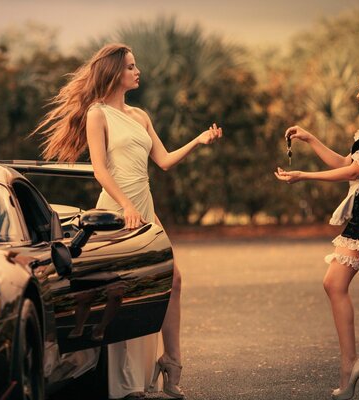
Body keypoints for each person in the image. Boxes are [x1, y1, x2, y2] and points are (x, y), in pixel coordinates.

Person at [34, 43, 222, 400]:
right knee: (124, 291)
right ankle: (123, 380)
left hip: (145, 209)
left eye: (137, 66)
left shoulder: (140, 116)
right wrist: (125, 206)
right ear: (115, 73)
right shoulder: (97, 114)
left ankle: (171, 359)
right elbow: (101, 171)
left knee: (173, 280)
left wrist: (198, 140)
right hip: (116, 212)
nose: (138, 72)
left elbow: (163, 161)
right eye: (132, 67)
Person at [275, 63, 359, 400]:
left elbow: (352, 170)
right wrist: (310, 138)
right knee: (333, 283)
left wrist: (303, 176)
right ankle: (350, 364)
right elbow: (345, 165)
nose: (358, 93)